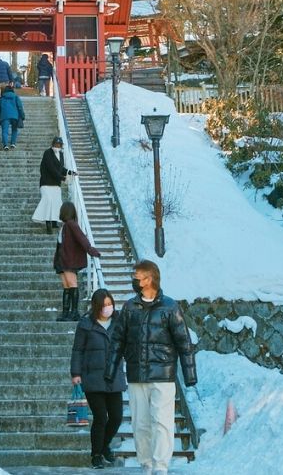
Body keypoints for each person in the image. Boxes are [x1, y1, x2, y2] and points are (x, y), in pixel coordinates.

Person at [105, 260, 196, 475]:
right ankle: (146, 464)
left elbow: (184, 342)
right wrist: (110, 370)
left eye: (136, 277)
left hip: (163, 376)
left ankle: (161, 467)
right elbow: (117, 340)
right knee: (140, 424)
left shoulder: (170, 307)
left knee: (162, 422)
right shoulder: (129, 307)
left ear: (149, 279)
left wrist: (190, 374)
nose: (133, 280)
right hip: (137, 375)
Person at [71, 289, 126, 468]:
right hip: (93, 378)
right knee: (101, 417)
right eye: (104, 305)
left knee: (117, 417)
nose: (108, 308)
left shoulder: (119, 322)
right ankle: (96, 454)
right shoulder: (86, 324)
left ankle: (104, 447)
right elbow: (77, 350)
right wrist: (76, 373)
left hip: (114, 377)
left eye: (110, 304)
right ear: (97, 307)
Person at [55, 200, 101, 321]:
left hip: (67, 260)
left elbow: (82, 238)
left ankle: (73, 313)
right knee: (67, 286)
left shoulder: (70, 225)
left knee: (71, 285)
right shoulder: (66, 225)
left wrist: (90, 250)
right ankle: (67, 313)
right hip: (62, 261)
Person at [33, 136, 69, 230]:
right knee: (48, 200)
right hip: (46, 182)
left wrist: (70, 172)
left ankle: (54, 221)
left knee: (57, 201)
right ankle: (47, 222)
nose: (57, 145)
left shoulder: (61, 154)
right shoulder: (47, 153)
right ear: (53, 144)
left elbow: (61, 168)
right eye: (56, 144)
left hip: (56, 184)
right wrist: (61, 178)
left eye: (59, 144)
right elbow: (51, 168)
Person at [0, 84, 25, 150]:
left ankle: (5, 145)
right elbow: (20, 107)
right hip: (15, 116)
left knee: (4, 131)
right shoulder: (16, 97)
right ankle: (13, 143)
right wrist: (22, 116)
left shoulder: (2, 98)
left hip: (4, 116)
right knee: (14, 130)